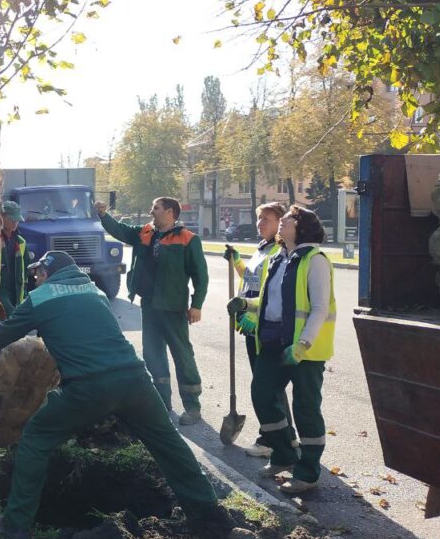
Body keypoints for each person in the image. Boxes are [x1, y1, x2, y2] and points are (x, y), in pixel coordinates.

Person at [0, 251, 229, 539]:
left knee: (36, 436)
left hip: (88, 389)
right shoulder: (95, 290)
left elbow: (3, 334)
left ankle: (16, 525)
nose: (35, 277)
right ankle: (209, 515)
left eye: (38, 273)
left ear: (48, 273)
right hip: (136, 381)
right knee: (170, 445)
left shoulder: (40, 298)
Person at [227, 205, 336, 494]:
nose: (279, 225)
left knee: (305, 409)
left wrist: (302, 345)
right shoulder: (278, 258)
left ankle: (308, 473)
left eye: (285, 220)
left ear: (300, 227)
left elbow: (320, 309)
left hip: (305, 351)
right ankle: (283, 455)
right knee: (262, 394)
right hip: (272, 342)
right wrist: (246, 305)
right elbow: (267, 300)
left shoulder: (315, 260)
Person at [95, 197, 209, 425]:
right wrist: (103, 215)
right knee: (153, 354)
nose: (151, 210)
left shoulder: (188, 239)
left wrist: (196, 305)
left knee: (182, 354)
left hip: (173, 307)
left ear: (169, 212)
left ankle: (192, 407)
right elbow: (120, 230)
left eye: (155, 207)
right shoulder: (145, 233)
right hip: (149, 304)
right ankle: (161, 401)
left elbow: (201, 276)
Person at [223, 202, 297, 458]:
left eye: (266, 218)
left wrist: (256, 316)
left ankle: (269, 439)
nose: (260, 223)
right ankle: (288, 436)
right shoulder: (263, 249)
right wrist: (237, 263)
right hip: (251, 323)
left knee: (266, 386)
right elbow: (252, 281)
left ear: (280, 222)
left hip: (264, 325)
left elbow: (272, 292)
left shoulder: (279, 250)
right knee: (270, 385)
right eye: (258, 218)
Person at [0, 200, 28, 316]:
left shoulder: (21, 242)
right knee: (10, 316)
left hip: (15, 289)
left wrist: (24, 291)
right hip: (0, 288)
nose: (16, 223)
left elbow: (24, 270)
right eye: (12, 219)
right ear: (2, 217)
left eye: (17, 220)